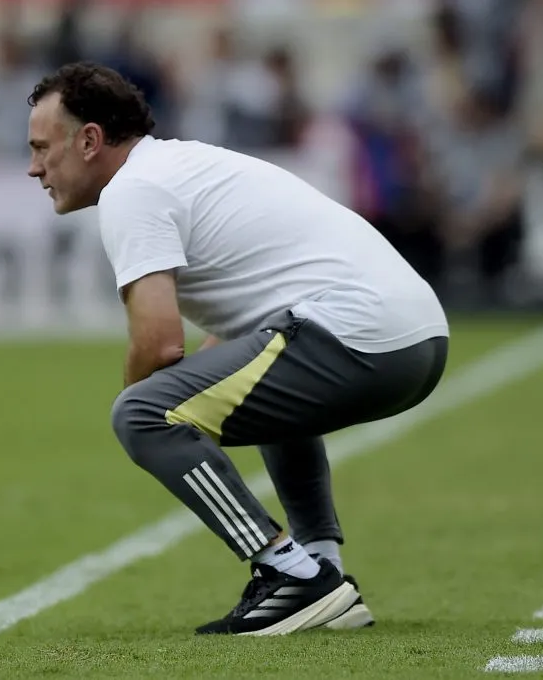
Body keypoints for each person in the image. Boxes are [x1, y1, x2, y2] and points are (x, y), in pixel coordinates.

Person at [25, 62, 450, 636]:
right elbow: (230, 342)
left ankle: (290, 572)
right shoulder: (180, 165)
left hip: (361, 331)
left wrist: (147, 421)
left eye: (41, 148)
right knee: (259, 380)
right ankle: (321, 570)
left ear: (90, 140)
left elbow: (156, 342)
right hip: (417, 336)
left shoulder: (133, 191)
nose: (34, 168)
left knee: (141, 413)